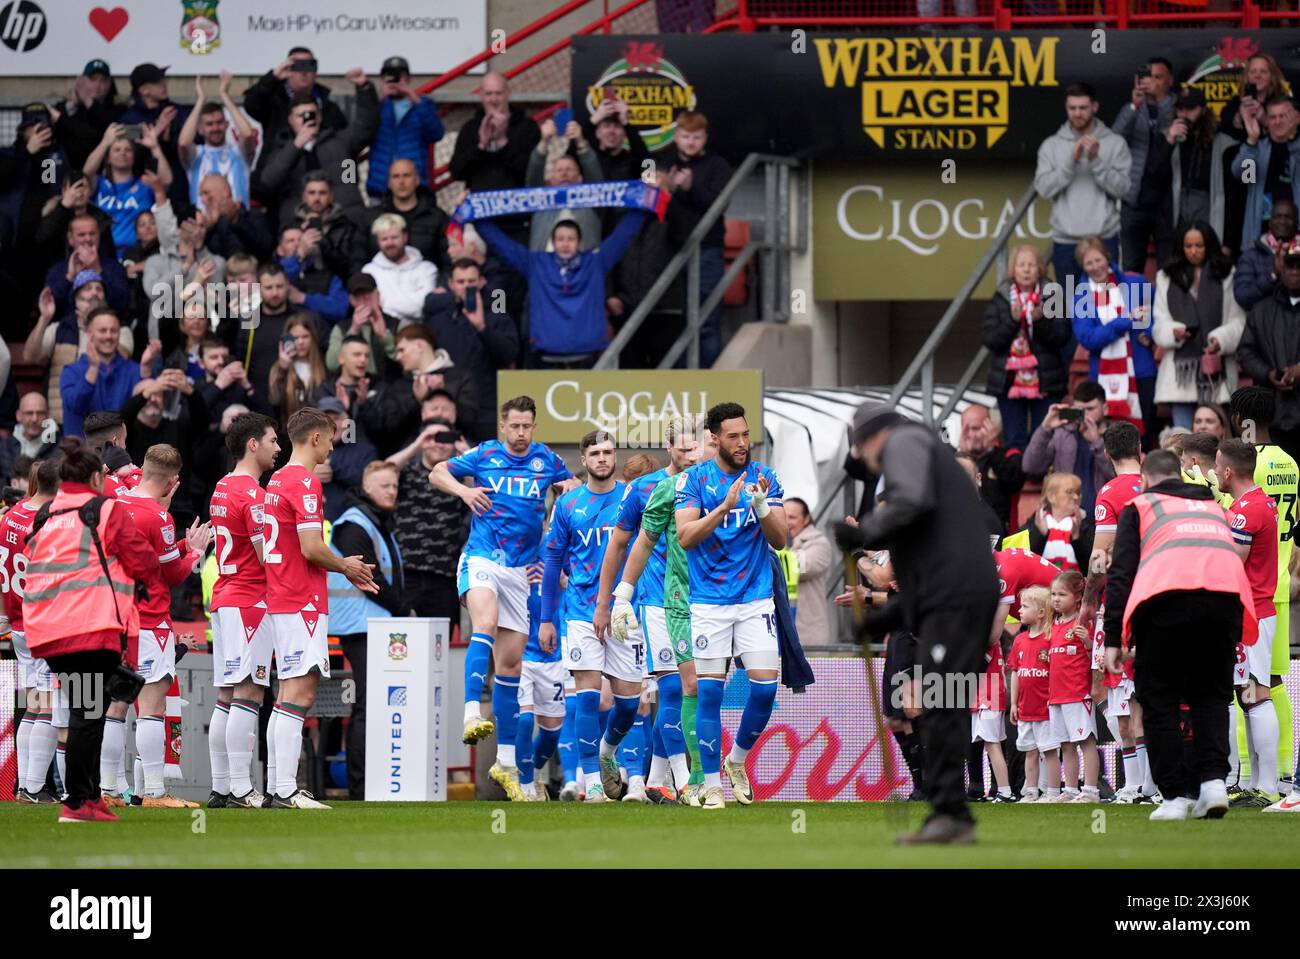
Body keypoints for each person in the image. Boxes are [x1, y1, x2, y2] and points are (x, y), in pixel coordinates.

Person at [833, 403, 999, 843]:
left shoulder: (906, 440)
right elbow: (922, 580)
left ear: (870, 440)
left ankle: (949, 812)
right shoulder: (927, 454)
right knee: (946, 701)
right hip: (957, 595)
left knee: (941, 702)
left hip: (956, 598)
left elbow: (910, 501)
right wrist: (881, 619)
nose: (872, 471)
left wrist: (863, 532)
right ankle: (952, 810)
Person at [428, 396, 574, 788]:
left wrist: (556, 526)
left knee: (510, 667)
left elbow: (573, 491)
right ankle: (472, 712)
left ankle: (506, 763)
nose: (522, 434)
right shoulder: (484, 454)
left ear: (534, 427)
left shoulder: (546, 461)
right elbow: (437, 471)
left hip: (520, 572)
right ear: (503, 427)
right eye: (515, 426)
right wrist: (464, 491)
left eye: (528, 426)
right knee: (485, 622)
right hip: (482, 558)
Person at [1104, 450, 1256, 820]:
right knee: (1211, 698)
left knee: (1159, 700)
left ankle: (1173, 797)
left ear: (1147, 480)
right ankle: (1213, 784)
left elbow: (1121, 574)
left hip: (1166, 603)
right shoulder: (1213, 507)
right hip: (1223, 604)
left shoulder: (1140, 507)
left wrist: (1113, 637)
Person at [22, 439, 160, 823]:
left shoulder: (47, 514)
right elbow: (143, 558)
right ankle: (77, 803)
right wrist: (146, 583)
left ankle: (91, 795)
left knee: (89, 710)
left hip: (48, 629)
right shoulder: (103, 509)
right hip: (88, 626)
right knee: (87, 712)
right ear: (98, 476)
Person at [672, 402, 787, 810]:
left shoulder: (764, 477)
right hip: (708, 604)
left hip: (755, 599)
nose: (742, 443)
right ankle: (713, 785)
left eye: (745, 434)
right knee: (709, 695)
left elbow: (781, 539)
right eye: (733, 436)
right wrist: (722, 508)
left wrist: (761, 507)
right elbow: (685, 536)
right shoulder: (695, 480)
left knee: (765, 688)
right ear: (715, 439)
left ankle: (736, 760)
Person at [263, 407, 378, 809]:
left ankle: (279, 788)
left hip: (282, 595)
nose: (333, 445)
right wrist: (346, 565)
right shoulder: (304, 483)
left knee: (287, 692)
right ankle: (284, 790)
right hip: (300, 599)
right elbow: (312, 547)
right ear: (314, 439)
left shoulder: (276, 479)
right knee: (300, 690)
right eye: (330, 438)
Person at [597, 418, 712, 805]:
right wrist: (613, 599)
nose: (690, 453)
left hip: (702, 600)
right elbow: (620, 544)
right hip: (655, 601)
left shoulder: (711, 484)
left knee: (693, 690)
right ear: (668, 448)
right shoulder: (645, 488)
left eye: (696, 446)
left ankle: (657, 778)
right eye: (682, 447)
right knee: (675, 687)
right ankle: (686, 781)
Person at [539, 431, 639, 803]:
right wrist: (547, 618)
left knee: (629, 703)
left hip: (624, 610)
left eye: (608, 452)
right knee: (587, 697)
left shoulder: (632, 497)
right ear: (583, 459)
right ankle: (593, 782)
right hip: (581, 611)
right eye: (595, 453)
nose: (602, 458)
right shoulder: (567, 505)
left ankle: (606, 751)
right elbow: (552, 562)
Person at [110, 445, 211, 807]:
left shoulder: (114, 504)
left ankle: (108, 791)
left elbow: (145, 554)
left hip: (114, 619)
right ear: (172, 481)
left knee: (117, 705)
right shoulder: (158, 517)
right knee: (150, 705)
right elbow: (170, 575)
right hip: (149, 621)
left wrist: (183, 542)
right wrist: (194, 552)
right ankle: (153, 791)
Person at [1228, 386, 1298, 806]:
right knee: (1273, 685)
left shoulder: (1252, 467)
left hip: (1253, 588)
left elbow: (1240, 523)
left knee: (1252, 688)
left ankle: (1255, 775)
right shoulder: (1289, 461)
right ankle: (1283, 773)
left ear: (1241, 419)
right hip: (1281, 585)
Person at [207, 412, 280, 809]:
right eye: (272, 441)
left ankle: (222, 787)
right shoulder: (252, 494)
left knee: (227, 694)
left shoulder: (222, 486)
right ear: (252, 444)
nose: (278, 448)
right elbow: (265, 554)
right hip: (250, 600)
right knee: (249, 692)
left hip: (226, 597)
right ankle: (239, 787)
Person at [476, 211, 646, 369]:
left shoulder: (595, 263)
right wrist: (474, 216)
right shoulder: (535, 264)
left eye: (571, 239)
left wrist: (646, 200)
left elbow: (624, 235)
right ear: (553, 242)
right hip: (545, 357)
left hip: (587, 356)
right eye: (560, 239)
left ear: (580, 243)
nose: (565, 244)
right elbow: (500, 244)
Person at [328, 460, 406, 801]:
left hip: (373, 624)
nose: (392, 491)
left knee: (375, 705)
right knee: (369, 706)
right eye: (385, 485)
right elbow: (368, 578)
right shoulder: (354, 524)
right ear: (367, 487)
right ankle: (360, 789)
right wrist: (406, 610)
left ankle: (372, 784)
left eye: (394, 485)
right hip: (362, 625)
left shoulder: (374, 521)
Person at [1085, 422, 1154, 803]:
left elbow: (1100, 558)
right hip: (1158, 599)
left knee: (1121, 695)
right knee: (1141, 695)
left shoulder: (1109, 493)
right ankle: (1142, 785)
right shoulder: (1154, 484)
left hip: (1121, 606)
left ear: (1107, 454)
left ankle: (1142, 785)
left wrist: (1087, 602)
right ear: (1140, 449)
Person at [1216, 439, 1283, 808]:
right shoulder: (1261, 502)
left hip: (1250, 612)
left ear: (1228, 471)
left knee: (1256, 694)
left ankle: (1268, 786)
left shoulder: (1246, 511)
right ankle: (1257, 783)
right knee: (1249, 696)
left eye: (1217, 467)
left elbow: (1231, 563)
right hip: (1258, 609)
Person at [1034, 81, 1130, 297]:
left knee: (1107, 308)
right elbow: (1044, 189)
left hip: (1104, 239)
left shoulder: (1115, 143)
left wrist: (1096, 160)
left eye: (1083, 108)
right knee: (1068, 310)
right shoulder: (1051, 145)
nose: (1077, 113)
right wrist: (1071, 160)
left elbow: (1123, 189)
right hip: (1066, 242)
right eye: (1072, 108)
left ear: (1094, 107)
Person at [1152, 220, 1245, 429]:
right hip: (1180, 377)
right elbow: (1159, 324)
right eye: (1188, 246)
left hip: (1216, 375)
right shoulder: (1165, 277)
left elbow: (1238, 321)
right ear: (1180, 247)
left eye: (1199, 246)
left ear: (1209, 245)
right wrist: (1173, 332)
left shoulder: (1227, 274)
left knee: (1216, 444)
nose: (1193, 251)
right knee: (1183, 443)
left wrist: (1220, 339)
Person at [5, 458, 60, 803]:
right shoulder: (51, 522)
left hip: (17, 621)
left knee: (34, 704)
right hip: (45, 622)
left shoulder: (10, 515)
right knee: (50, 706)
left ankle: (26, 785)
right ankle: (35, 786)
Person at [980, 244, 1071, 451]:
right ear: (1013, 269)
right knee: (1014, 440)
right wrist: (1012, 321)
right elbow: (990, 339)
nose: (1027, 269)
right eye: (1021, 265)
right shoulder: (1002, 296)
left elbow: (1062, 336)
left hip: (1046, 381)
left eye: (1031, 264)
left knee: (1046, 438)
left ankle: (1045, 483)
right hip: (1009, 382)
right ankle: (1017, 481)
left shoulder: (1052, 293)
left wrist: (1040, 323)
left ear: (1040, 268)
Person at [255, 81, 380, 229]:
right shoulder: (281, 149)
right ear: (291, 120)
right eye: (302, 115)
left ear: (320, 118)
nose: (308, 119)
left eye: (312, 115)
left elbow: (366, 127)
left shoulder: (340, 141)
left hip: (345, 220)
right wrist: (296, 145)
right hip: (299, 224)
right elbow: (268, 181)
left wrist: (364, 89)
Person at [1071, 234, 1157, 445]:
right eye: (1088, 263)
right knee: (1110, 437)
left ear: (1107, 258)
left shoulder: (1135, 283)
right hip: (1103, 376)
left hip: (1141, 370)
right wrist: (1123, 322)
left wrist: (1151, 332)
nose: (1095, 266)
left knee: (1143, 434)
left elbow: (1157, 314)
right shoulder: (1082, 297)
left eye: (1098, 259)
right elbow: (1088, 338)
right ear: (1083, 266)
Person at [421, 258, 519, 441]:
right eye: (461, 282)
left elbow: (510, 354)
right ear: (451, 284)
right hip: (451, 408)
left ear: (481, 281)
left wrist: (482, 327)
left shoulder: (498, 316)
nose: (466, 287)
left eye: (471, 281)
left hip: (488, 409)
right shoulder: (439, 321)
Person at [392, 416, 468, 624]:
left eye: (444, 437)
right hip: (408, 573)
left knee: (440, 645)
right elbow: (381, 471)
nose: (438, 443)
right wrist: (417, 445)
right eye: (432, 437)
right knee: (404, 641)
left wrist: (466, 452)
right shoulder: (407, 472)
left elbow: (482, 490)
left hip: (444, 575)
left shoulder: (459, 478)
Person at [362, 324, 477, 455]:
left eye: (402, 350)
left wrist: (442, 395)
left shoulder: (459, 377)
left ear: (420, 346)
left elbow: (470, 421)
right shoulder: (399, 385)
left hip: (453, 454)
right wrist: (416, 401)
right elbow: (388, 430)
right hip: (411, 459)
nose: (398, 357)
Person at [1236, 237, 1300, 460]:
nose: (1295, 271)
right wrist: (1268, 373)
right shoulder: (1261, 309)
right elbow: (1246, 351)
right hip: (1271, 414)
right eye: (1290, 265)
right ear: (1280, 268)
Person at [1112, 57, 1175, 273]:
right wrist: (1134, 105)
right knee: (1131, 267)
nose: (1153, 83)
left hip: (1167, 202)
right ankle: (1135, 308)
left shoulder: (1176, 107)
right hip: (1135, 199)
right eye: (1149, 78)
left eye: (1158, 78)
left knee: (1169, 266)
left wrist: (1161, 101)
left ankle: (1165, 308)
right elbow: (1115, 138)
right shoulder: (1134, 108)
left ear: (1170, 81)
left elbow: (1172, 129)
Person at [1162, 86, 1235, 254]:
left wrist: (1229, 241)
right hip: (1177, 207)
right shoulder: (1168, 137)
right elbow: (1153, 175)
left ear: (1202, 110)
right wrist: (1169, 141)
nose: (1184, 114)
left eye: (1190, 109)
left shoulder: (1225, 142)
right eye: (1180, 109)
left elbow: (1242, 190)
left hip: (1210, 206)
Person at [83, 120, 172, 256]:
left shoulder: (144, 183)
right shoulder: (99, 184)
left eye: (128, 150)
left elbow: (166, 180)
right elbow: (86, 173)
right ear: (108, 158)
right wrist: (105, 143)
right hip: (104, 255)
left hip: (141, 255)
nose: (123, 153)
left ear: (133, 157)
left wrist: (154, 147)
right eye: (117, 150)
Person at [364, 55, 443, 200]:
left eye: (400, 76)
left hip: (416, 190)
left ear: (408, 79)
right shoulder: (375, 107)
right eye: (390, 76)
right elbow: (356, 139)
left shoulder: (422, 104)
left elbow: (436, 134)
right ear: (382, 80)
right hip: (381, 188)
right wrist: (376, 102)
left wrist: (415, 99)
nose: (396, 81)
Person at [60, 307, 145, 440]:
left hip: (122, 454)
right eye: (102, 331)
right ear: (89, 334)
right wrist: (93, 369)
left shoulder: (134, 370)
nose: (108, 336)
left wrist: (147, 370)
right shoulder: (71, 371)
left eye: (114, 331)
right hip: (83, 456)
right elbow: (76, 406)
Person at [178, 72, 256, 214]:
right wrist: (200, 100)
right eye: (209, 124)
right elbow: (183, 142)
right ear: (200, 129)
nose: (215, 128)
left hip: (238, 225)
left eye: (219, 123)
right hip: (204, 227)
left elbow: (247, 133)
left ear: (227, 125)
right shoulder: (196, 155)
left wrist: (224, 95)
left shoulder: (239, 153)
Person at [1231, 95, 1300, 254]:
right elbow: (1243, 176)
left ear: (1296, 118)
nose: (1277, 121)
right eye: (1273, 117)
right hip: (1260, 237)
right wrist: (1251, 140)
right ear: (1267, 121)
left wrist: (1293, 138)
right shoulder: (1258, 149)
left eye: (1283, 116)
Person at [1009, 585, 1059, 803]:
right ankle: (1030, 790)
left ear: (1040, 612)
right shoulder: (1019, 640)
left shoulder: (1051, 638)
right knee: (1029, 751)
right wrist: (1013, 704)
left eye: (1025, 606)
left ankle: (1053, 791)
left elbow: (1057, 672)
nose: (1019, 610)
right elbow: (1016, 673)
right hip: (1025, 708)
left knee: (1049, 752)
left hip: (1045, 708)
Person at [525, 118, 604, 251]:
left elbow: (595, 174)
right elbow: (533, 174)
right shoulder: (541, 202)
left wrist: (580, 141)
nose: (564, 174)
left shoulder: (592, 202)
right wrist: (544, 141)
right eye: (559, 170)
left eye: (569, 169)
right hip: (545, 268)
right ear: (551, 180)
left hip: (584, 268)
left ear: (580, 179)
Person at [369, 158, 451, 278]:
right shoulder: (372, 218)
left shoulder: (438, 218)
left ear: (417, 180)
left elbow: (447, 259)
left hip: (429, 284)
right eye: (396, 176)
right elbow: (360, 258)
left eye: (406, 175)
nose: (401, 181)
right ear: (389, 183)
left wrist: (443, 286)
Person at [955, 404, 1025, 531]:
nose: (971, 434)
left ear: (990, 427)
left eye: (976, 428)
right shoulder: (955, 460)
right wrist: (960, 455)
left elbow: (1013, 481)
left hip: (1002, 537)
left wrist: (991, 450)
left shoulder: (1009, 455)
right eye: (966, 429)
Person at [362, 213, 438, 324]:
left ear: (405, 237)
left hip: (419, 332)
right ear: (378, 242)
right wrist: (410, 301)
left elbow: (423, 306)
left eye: (394, 237)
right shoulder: (369, 271)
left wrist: (385, 303)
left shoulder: (427, 269)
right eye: (384, 239)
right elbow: (369, 309)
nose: (389, 243)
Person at [1014, 472, 1094, 572]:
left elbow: (1092, 569)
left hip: (1076, 586)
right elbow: (1020, 565)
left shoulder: (1086, 526)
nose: (1076, 497)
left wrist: (1077, 537)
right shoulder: (1032, 525)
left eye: (1077, 492)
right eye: (1070, 492)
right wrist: (1039, 534)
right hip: (1040, 587)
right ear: (1052, 497)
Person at [782, 496, 832, 647]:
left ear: (806, 519)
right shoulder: (773, 542)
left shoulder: (820, 544)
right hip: (778, 633)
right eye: (782, 516)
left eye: (792, 517)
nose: (786, 521)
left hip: (808, 635)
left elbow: (798, 566)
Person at [972, 628, 1013, 802]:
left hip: (988, 696)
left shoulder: (987, 638)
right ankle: (1003, 791)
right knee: (992, 744)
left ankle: (1005, 791)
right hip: (985, 696)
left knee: (992, 744)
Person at [328, 272, 398, 377]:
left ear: (378, 295)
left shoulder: (397, 324)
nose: (365, 298)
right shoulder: (341, 328)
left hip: (391, 386)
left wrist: (385, 337)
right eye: (359, 295)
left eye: (369, 292)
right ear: (351, 300)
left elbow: (411, 365)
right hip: (356, 386)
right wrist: (353, 331)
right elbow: (332, 365)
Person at [1234, 197, 1297, 312]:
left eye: (1288, 217)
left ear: (1297, 223)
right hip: (1263, 322)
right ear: (1270, 223)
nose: (1282, 221)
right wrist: (1273, 274)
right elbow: (1242, 297)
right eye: (1278, 217)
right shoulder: (1251, 255)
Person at [268, 315, 328, 426]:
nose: (300, 342)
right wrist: (283, 369)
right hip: (290, 433)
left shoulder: (323, 366)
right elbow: (275, 400)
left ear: (313, 338)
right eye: (295, 338)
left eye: (305, 337)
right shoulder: (278, 368)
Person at [1220, 53, 1289, 144]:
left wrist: (1265, 120)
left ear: (1272, 77)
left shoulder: (1284, 102)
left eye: (1263, 71)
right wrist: (1239, 117)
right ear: (1247, 76)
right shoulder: (1237, 101)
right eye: (1253, 72)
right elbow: (1224, 126)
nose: (1257, 76)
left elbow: (1291, 136)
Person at [0, 392, 58, 481]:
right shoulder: (4, 448)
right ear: (19, 415)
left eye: (40, 413)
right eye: (29, 413)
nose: (34, 419)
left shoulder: (59, 447)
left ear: (47, 415)